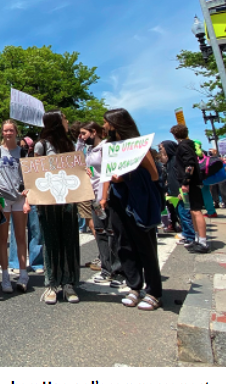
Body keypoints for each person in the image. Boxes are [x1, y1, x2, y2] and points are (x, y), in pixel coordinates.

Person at [104, 108, 163, 311]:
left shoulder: (138, 146)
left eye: (106, 123)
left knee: (145, 245)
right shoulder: (111, 147)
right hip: (118, 200)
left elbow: (154, 175)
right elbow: (108, 174)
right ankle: (134, 286)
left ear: (115, 124)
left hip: (137, 200)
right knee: (124, 244)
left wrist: (128, 174)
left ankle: (154, 291)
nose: (104, 127)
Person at [33, 110, 82, 305]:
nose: (67, 122)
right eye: (64, 119)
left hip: (68, 201)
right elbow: (35, 172)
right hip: (49, 202)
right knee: (52, 242)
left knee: (69, 241)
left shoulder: (69, 144)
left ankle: (69, 283)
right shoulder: (42, 144)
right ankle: (51, 284)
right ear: (55, 122)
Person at [80, 121, 123, 287]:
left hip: (106, 197)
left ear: (93, 132)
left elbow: (109, 172)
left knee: (112, 233)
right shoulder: (88, 151)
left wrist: (104, 196)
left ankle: (118, 271)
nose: (82, 137)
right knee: (100, 232)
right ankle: (106, 269)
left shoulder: (106, 148)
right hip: (93, 197)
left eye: (84, 134)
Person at [0, 119, 30, 293]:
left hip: (19, 197)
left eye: (11, 130)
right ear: (2, 133)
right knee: (2, 238)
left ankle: (23, 274)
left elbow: (30, 177)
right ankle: (5, 275)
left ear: (16, 132)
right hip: (2, 198)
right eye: (5, 131)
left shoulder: (23, 152)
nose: (8, 133)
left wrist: (28, 198)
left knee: (20, 236)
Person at [170, 125, 210, 253]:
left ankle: (203, 241)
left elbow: (189, 164)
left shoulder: (183, 146)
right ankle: (198, 239)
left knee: (196, 211)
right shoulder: (189, 145)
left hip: (191, 183)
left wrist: (186, 181)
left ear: (174, 135)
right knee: (192, 210)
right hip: (192, 182)